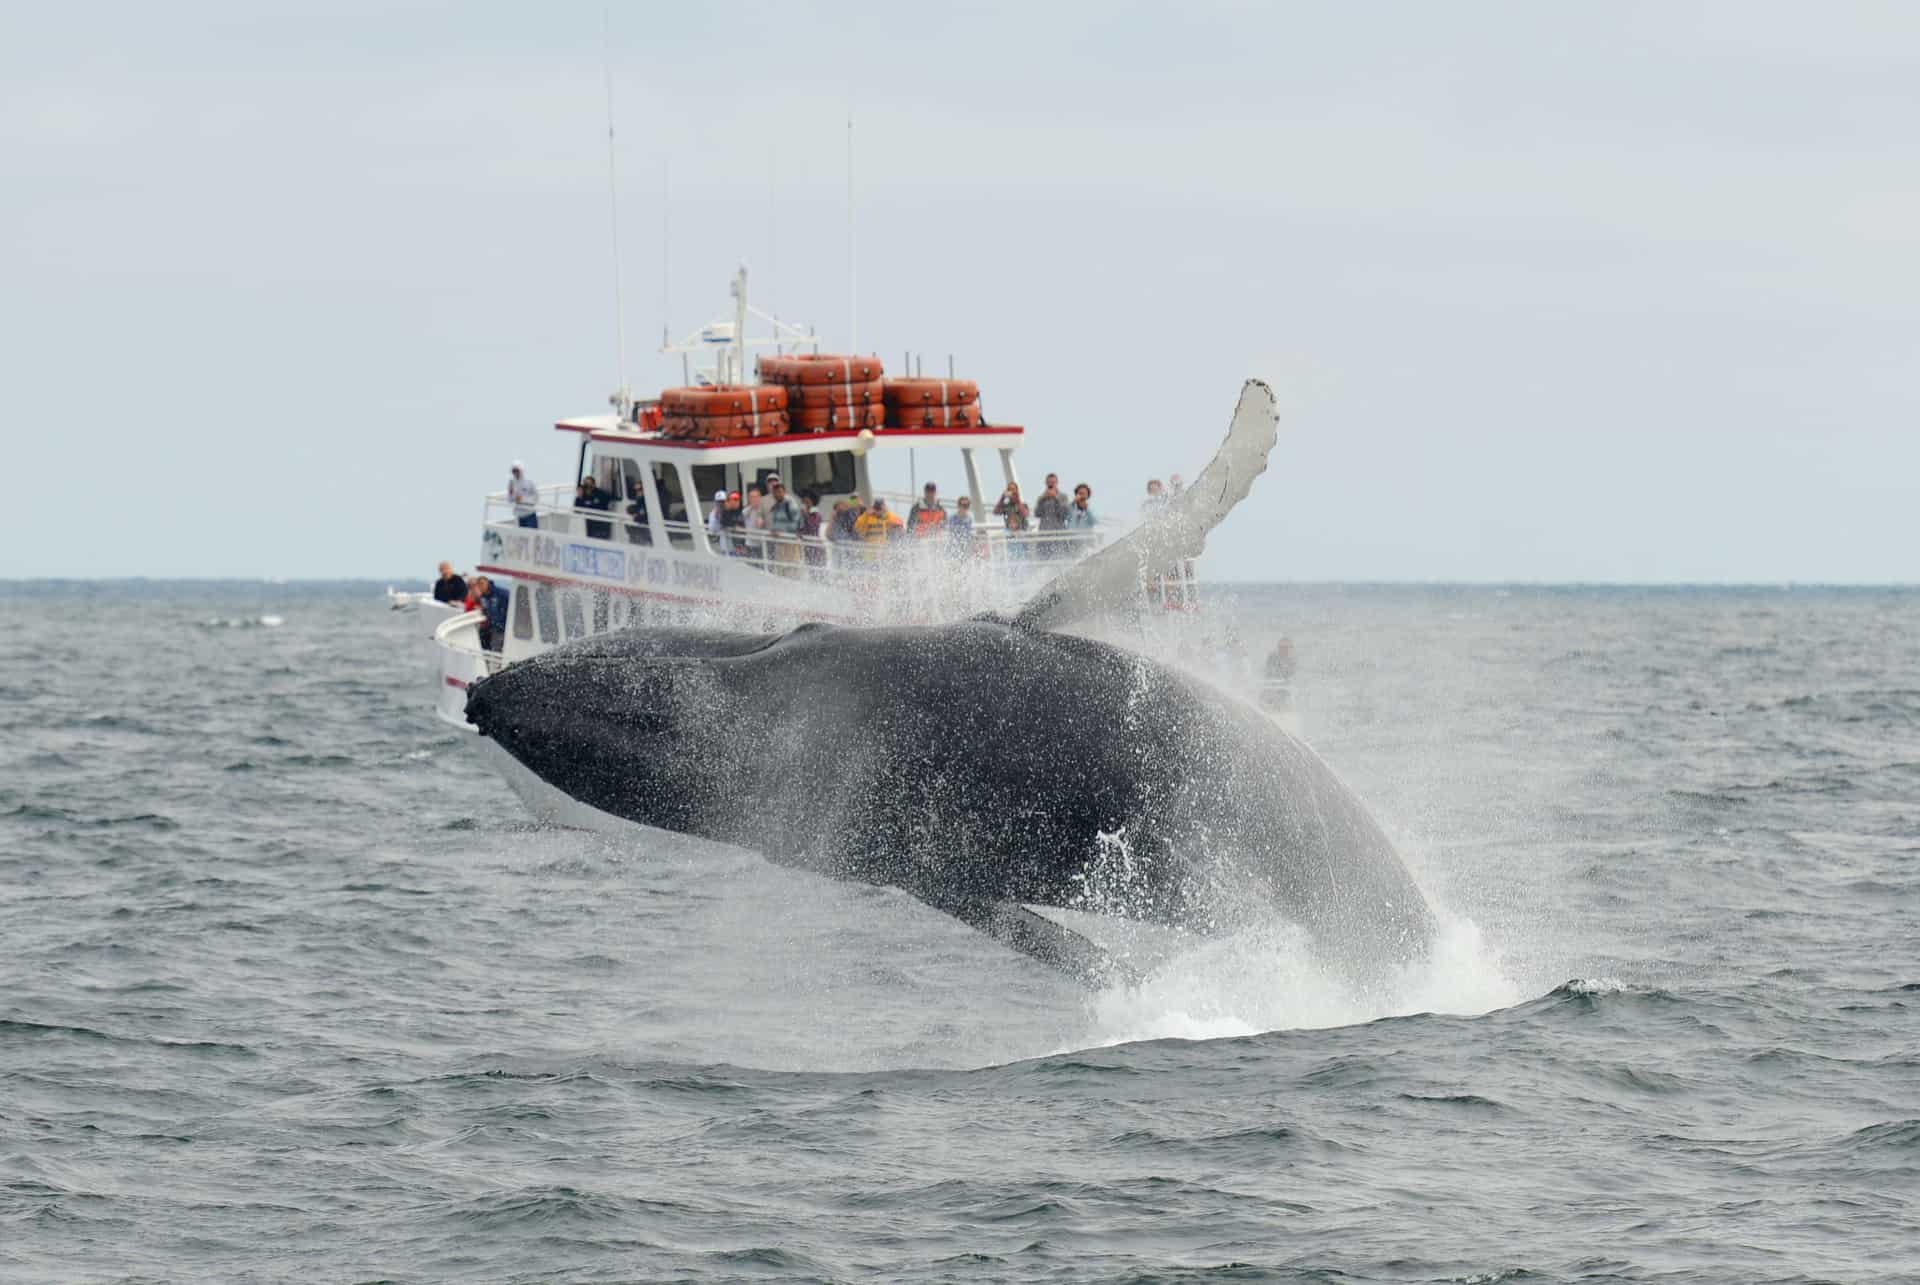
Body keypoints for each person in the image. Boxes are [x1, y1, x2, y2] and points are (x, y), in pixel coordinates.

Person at [767, 477, 803, 570]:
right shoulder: (776, 506)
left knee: (792, 569)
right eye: (775, 492)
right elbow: (776, 523)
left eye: (780, 492)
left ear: (784, 492)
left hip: (790, 542)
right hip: (780, 543)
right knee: (780, 569)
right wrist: (774, 531)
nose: (777, 494)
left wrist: (782, 531)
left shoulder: (790, 504)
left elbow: (797, 522)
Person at [469, 574, 509, 651]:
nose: (481, 586)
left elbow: (508, 606)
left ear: (487, 583)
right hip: (492, 627)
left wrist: (503, 621)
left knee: (497, 648)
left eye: (482, 584)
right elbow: (486, 609)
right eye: (479, 585)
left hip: (502, 627)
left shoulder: (500, 593)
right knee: (491, 647)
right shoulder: (483, 597)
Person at [994, 481, 1030, 558]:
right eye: (1010, 489)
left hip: (1021, 536)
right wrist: (1002, 497)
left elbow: (1025, 514)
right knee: (1011, 557)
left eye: (1013, 489)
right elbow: (996, 512)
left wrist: (1017, 499)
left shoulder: (1022, 505)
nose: (1011, 492)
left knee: (1023, 558)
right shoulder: (1006, 506)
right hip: (1009, 537)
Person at [797, 488, 826, 569]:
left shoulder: (816, 514)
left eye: (807, 502)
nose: (805, 504)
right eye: (803, 502)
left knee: (819, 570)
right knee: (810, 571)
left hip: (816, 548)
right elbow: (800, 529)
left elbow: (813, 527)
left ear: (812, 502)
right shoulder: (801, 515)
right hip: (806, 548)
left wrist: (806, 515)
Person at [576, 476, 611, 541]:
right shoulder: (581, 497)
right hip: (588, 526)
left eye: (589, 484)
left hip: (600, 524)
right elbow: (577, 510)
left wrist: (592, 501)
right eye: (585, 484)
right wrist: (580, 497)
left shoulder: (600, 493)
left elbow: (604, 503)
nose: (587, 486)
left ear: (593, 484)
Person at [508, 461, 539, 529]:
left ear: (521, 470)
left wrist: (523, 499)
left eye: (517, 470)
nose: (515, 473)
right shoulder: (511, 483)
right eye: (514, 471)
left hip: (529, 515)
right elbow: (510, 500)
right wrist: (510, 493)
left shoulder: (529, 482)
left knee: (531, 535)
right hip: (519, 516)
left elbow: (536, 498)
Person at [741, 486, 767, 563]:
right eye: (751, 497)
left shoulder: (765, 510)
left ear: (760, 497)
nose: (754, 499)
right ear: (749, 498)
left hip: (762, 545)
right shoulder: (746, 511)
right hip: (749, 544)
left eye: (756, 496)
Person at [705, 487, 733, 555]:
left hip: (737, 547)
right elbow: (712, 530)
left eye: (723, 501)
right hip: (725, 549)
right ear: (716, 502)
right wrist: (716, 518)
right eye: (719, 502)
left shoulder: (733, 510)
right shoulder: (713, 513)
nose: (721, 504)